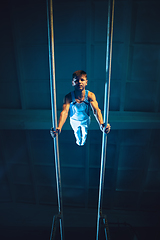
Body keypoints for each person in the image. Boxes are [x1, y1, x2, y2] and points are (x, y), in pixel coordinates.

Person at [50, 70, 111, 146]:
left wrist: (101, 124)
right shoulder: (68, 97)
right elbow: (64, 112)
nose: (79, 82)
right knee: (76, 133)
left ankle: (83, 141)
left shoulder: (90, 95)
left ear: (86, 82)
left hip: (85, 120)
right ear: (72, 83)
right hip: (74, 120)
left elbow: (96, 110)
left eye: (82, 80)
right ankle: (78, 141)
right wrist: (59, 127)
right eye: (76, 80)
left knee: (85, 133)